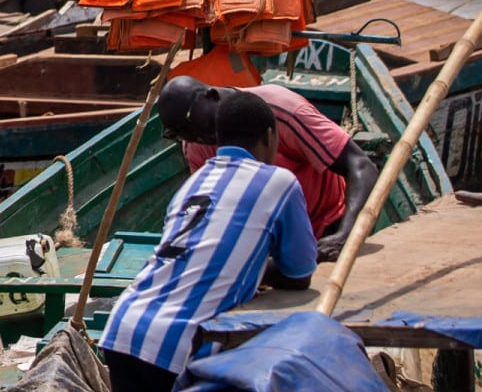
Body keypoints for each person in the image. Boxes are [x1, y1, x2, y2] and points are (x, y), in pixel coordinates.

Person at [100, 93, 317, 392]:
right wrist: (256, 267)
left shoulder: (193, 183)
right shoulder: (279, 182)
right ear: (270, 136)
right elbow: (300, 273)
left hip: (123, 328)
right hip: (176, 341)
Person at [156, 76, 380, 259]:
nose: (190, 135)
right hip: (267, 242)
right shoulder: (196, 144)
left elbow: (361, 166)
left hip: (327, 227)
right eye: (175, 133)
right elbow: (213, 210)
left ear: (211, 96)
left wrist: (345, 234)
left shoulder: (283, 109)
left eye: (189, 122)